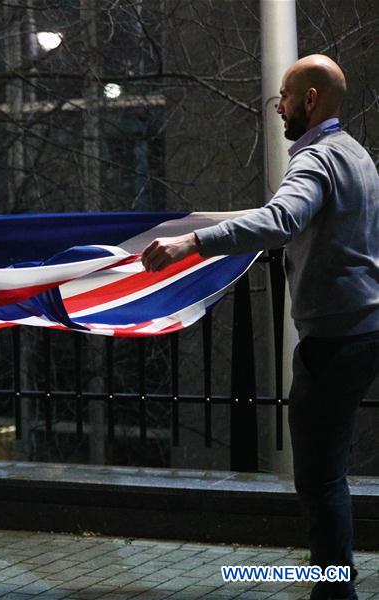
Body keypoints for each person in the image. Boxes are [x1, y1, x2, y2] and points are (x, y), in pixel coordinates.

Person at [142, 54, 379, 600]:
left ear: (310, 101)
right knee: (330, 473)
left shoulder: (317, 160)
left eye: (285, 98)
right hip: (362, 330)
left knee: (319, 480)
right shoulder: (358, 156)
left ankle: (333, 590)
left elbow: (281, 219)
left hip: (336, 339)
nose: (280, 109)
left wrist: (191, 241)